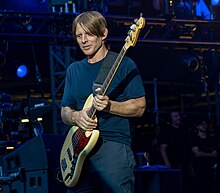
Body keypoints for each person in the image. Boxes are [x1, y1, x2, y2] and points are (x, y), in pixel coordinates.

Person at [60, 11, 146, 193]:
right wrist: (76, 116)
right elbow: (65, 111)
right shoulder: (73, 70)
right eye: (79, 36)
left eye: (89, 34)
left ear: (103, 33)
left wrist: (110, 105)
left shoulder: (124, 64)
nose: (83, 40)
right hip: (79, 154)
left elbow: (140, 107)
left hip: (113, 148)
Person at [158, 111, 191, 193]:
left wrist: (190, 164)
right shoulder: (167, 131)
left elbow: (187, 148)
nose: (178, 118)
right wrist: (167, 164)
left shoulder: (183, 130)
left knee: (186, 187)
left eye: (178, 115)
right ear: (171, 119)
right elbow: (162, 148)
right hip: (173, 164)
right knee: (174, 186)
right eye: (175, 116)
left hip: (184, 164)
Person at [189, 118, 218, 193]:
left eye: (205, 124)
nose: (204, 126)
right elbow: (197, 154)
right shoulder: (194, 138)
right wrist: (210, 154)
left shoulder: (211, 139)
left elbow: (215, 154)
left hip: (209, 170)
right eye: (202, 124)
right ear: (197, 126)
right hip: (198, 170)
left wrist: (203, 153)